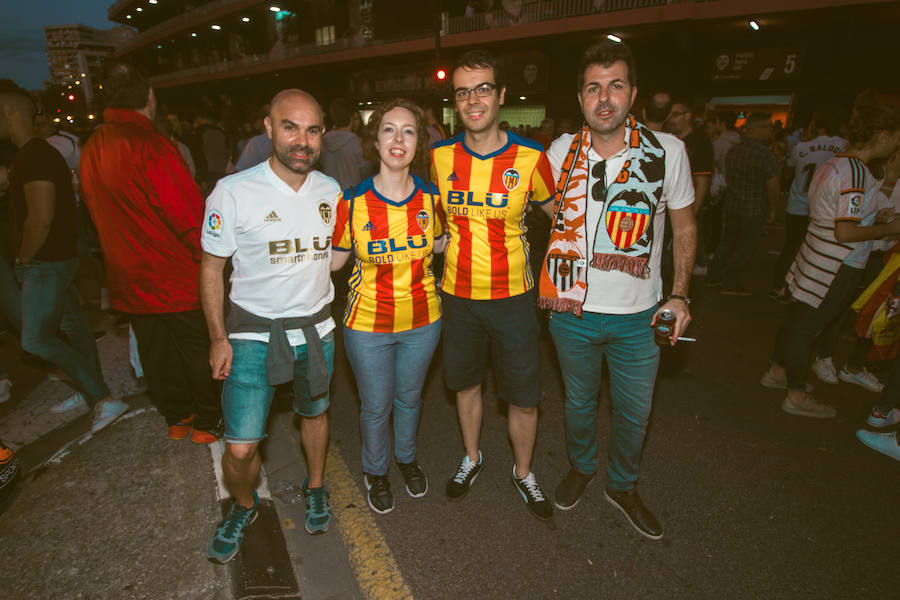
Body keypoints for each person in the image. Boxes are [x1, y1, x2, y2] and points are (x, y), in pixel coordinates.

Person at [539, 40, 695, 540]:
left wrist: (681, 294)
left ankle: (622, 485)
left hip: (639, 316)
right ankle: (582, 468)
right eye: (593, 88)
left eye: (615, 86)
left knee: (635, 412)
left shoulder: (668, 151)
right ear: (580, 97)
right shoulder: (561, 152)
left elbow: (686, 229)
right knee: (578, 403)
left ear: (633, 93)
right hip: (572, 310)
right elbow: (544, 210)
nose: (604, 98)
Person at [201, 89, 340, 563]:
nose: (302, 140)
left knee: (315, 414)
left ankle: (316, 485)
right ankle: (244, 504)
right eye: (290, 126)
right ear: (268, 127)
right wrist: (219, 337)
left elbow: (340, 257)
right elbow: (210, 269)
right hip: (251, 335)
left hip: (317, 330)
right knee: (239, 449)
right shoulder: (233, 191)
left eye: (313, 129)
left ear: (323, 134)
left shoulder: (331, 191)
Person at [431, 50, 557, 521]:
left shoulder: (530, 158)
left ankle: (524, 472)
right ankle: (472, 456)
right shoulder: (441, 157)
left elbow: (562, 219)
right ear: (455, 102)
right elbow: (437, 224)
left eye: (483, 88)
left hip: (514, 300)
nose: (473, 99)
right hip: (458, 298)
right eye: (463, 91)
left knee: (522, 395)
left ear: (501, 95)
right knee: (464, 385)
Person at [79, 62, 220, 442]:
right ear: (149, 98)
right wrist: (212, 260)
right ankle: (208, 422)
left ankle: (178, 417)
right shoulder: (152, 145)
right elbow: (188, 215)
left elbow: (93, 210)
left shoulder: (92, 147)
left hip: (127, 273)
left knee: (156, 352)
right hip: (173, 272)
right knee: (195, 346)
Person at [332, 98, 444, 514]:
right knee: (376, 405)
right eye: (389, 130)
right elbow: (334, 261)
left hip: (423, 321)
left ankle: (407, 459)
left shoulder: (434, 200)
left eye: (409, 130)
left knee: (410, 399)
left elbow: (442, 245)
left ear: (419, 142)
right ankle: (375, 470)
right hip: (367, 325)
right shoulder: (352, 202)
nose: (399, 139)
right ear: (374, 141)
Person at [0, 83, 127, 432]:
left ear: (10, 111)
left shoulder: (35, 156)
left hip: (45, 262)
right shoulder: (30, 156)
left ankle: (101, 396)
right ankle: (92, 390)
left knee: (36, 339)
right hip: (56, 258)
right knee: (74, 327)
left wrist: (24, 258)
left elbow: (41, 218)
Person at [762, 104, 900, 419]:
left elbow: (837, 216)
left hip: (815, 254)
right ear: (882, 135)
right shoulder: (855, 173)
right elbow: (845, 231)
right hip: (835, 263)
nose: (896, 146)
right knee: (806, 328)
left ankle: (777, 371)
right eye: (896, 138)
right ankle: (795, 395)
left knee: (797, 320)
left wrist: (876, 215)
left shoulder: (835, 164)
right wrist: (889, 228)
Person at [771, 106, 847, 303]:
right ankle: (801, 290)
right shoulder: (844, 146)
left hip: (797, 204)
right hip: (825, 207)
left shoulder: (802, 147)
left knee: (790, 247)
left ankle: (779, 285)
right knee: (813, 250)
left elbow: (788, 168)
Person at [707, 113, 780, 295]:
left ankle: (713, 276)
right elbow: (773, 185)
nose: (770, 131)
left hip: (732, 204)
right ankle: (730, 282)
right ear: (760, 130)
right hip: (753, 208)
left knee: (727, 242)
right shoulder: (765, 153)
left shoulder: (735, 150)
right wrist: (773, 208)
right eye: (768, 128)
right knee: (746, 246)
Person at [665, 96, 713, 273]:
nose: (671, 118)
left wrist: (692, 214)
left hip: (686, 206)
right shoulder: (666, 138)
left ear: (688, 116)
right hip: (664, 207)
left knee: (679, 255)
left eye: (676, 114)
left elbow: (702, 182)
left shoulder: (699, 141)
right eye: (669, 114)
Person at [319, 97, 371, 190]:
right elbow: (366, 171)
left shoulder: (322, 142)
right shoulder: (356, 143)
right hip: (353, 194)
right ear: (351, 118)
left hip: (329, 192)